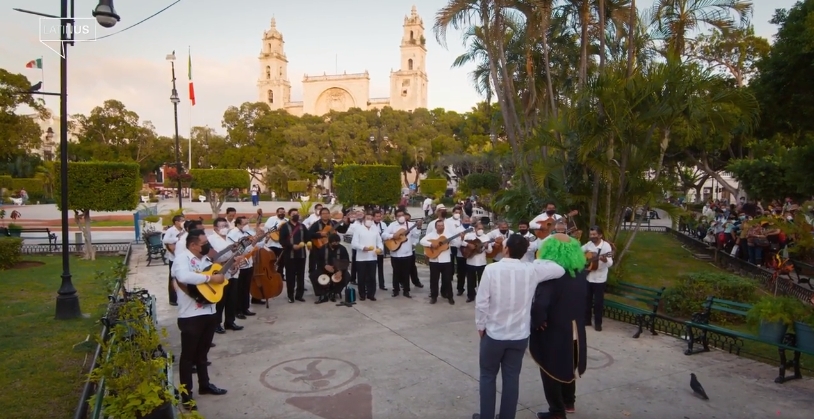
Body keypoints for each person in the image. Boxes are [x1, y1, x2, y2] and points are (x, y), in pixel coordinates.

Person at [473, 234, 566, 419]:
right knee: (511, 378)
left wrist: (480, 325)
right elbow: (559, 269)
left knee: (487, 376)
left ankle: (486, 416)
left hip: (494, 333)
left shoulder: (491, 269)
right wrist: (536, 261)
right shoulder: (531, 270)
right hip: (519, 335)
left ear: (505, 249)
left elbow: (482, 302)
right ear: (525, 252)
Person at [530, 234, 589, 418]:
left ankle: (556, 411)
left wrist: (538, 322)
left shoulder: (552, 275)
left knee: (551, 368)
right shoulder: (580, 273)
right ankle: (569, 401)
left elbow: (540, 304)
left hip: (554, 330)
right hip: (575, 330)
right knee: (569, 364)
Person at [172, 229, 228, 409]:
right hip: (190, 316)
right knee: (188, 358)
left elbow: (219, 279)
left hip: (209, 312)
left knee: (203, 354)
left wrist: (228, 270)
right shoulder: (182, 259)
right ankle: (186, 395)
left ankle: (204, 385)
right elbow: (183, 276)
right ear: (193, 245)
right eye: (204, 244)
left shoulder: (206, 260)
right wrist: (211, 277)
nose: (208, 246)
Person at [207, 217, 243, 333]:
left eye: (226, 226)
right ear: (215, 228)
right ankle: (217, 323)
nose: (224, 228)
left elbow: (237, 251)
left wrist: (237, 260)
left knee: (232, 298)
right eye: (222, 226)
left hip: (233, 272)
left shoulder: (230, 238)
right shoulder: (211, 240)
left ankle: (230, 321)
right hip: (221, 272)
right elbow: (214, 257)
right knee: (221, 300)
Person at [420, 219, 465, 304]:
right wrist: (431, 244)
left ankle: (449, 296)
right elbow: (421, 241)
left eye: (442, 225)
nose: (441, 227)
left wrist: (461, 238)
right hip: (434, 260)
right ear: (436, 227)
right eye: (439, 226)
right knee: (434, 280)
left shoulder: (448, 235)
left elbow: (457, 244)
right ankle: (434, 297)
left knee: (447, 280)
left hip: (446, 261)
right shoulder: (431, 235)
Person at [581, 226, 614, 331]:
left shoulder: (606, 246)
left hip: (600, 278)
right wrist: (584, 259)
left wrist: (605, 260)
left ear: (600, 235)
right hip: (589, 276)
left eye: (594, 234)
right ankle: (587, 320)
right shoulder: (589, 244)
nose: (592, 236)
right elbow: (579, 251)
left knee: (598, 302)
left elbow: (610, 263)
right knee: (587, 300)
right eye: (591, 234)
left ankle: (598, 323)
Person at [382, 209, 420, 297]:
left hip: (407, 253)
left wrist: (418, 227)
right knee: (396, 273)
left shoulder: (410, 225)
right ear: (396, 217)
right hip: (395, 253)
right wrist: (392, 236)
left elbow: (416, 236)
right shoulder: (392, 225)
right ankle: (396, 290)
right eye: (399, 215)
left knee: (406, 273)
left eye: (402, 215)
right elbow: (384, 235)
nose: (401, 217)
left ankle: (406, 291)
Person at [278, 208, 311, 303]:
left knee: (301, 276)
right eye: (293, 214)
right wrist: (292, 246)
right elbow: (282, 240)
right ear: (290, 215)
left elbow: (307, 237)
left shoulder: (302, 226)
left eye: (297, 213)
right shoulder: (285, 227)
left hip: (301, 255)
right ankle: (290, 295)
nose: (296, 215)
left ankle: (299, 295)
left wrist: (308, 243)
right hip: (289, 255)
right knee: (290, 276)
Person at [227, 217, 257, 318]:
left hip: (249, 262)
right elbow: (236, 248)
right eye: (244, 223)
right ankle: (238, 310)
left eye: (247, 222)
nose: (247, 225)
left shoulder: (248, 232)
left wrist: (256, 241)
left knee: (246, 287)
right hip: (239, 264)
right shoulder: (232, 234)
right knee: (238, 289)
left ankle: (245, 308)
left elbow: (256, 244)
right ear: (238, 224)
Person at [351, 212, 383, 301]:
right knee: (361, 277)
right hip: (361, 258)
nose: (369, 221)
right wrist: (362, 248)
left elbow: (379, 241)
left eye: (371, 219)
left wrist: (380, 248)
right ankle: (362, 294)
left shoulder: (375, 229)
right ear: (364, 219)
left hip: (372, 257)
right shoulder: (358, 229)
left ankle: (371, 294)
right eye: (367, 219)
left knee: (372, 277)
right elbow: (354, 243)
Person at [310, 233, 351, 304]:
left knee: (347, 276)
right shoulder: (323, 248)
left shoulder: (342, 249)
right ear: (329, 242)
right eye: (334, 242)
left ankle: (334, 292)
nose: (336, 244)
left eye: (337, 242)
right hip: (325, 269)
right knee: (313, 276)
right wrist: (325, 266)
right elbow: (318, 260)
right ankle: (323, 294)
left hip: (338, 270)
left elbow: (346, 261)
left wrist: (341, 271)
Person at [462, 221, 491, 303]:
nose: (480, 230)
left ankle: (482, 296)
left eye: (482, 228)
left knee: (482, 281)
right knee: (471, 280)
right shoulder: (469, 236)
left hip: (482, 262)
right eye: (479, 228)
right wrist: (468, 245)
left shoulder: (486, 238)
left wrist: (487, 246)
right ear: (475, 229)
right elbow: (461, 243)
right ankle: (470, 296)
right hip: (470, 261)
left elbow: (489, 251)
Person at [162, 214, 186, 306]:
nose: (183, 222)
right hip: (173, 258)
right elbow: (165, 240)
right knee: (173, 278)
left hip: (182, 258)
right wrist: (177, 238)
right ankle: (173, 299)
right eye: (182, 220)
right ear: (176, 222)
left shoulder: (184, 230)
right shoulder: (171, 230)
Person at [404, 212, 424, 288]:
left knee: (412, 267)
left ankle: (416, 282)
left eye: (408, 219)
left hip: (411, 250)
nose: (407, 221)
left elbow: (417, 236)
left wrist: (414, 244)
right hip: (401, 250)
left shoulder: (412, 226)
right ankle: (403, 282)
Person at [373, 210, 389, 291]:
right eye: (376, 216)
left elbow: (386, 235)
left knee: (380, 268)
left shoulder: (383, 225)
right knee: (371, 269)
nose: (378, 218)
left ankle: (382, 285)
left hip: (380, 250)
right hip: (371, 251)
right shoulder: (370, 225)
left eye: (379, 216)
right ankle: (371, 285)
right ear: (373, 217)